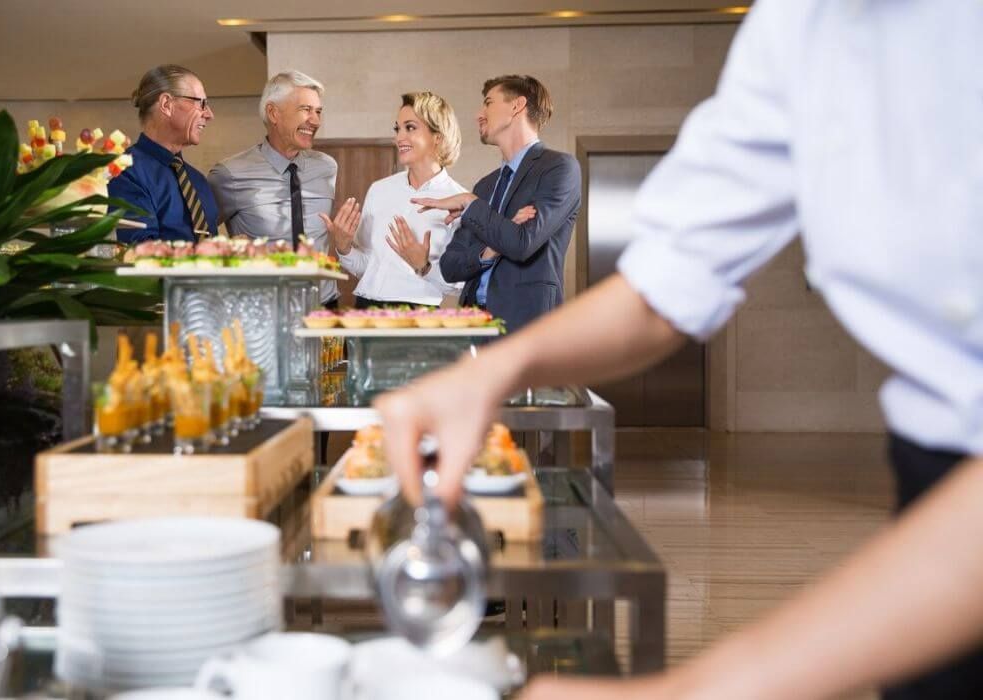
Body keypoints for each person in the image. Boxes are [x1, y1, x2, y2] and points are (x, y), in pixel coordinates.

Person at [376, 1, 983, 698]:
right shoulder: (799, 28)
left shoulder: (558, 171)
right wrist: (498, 369)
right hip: (932, 482)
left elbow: (522, 245)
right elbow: (671, 274)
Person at [412, 75, 580, 334]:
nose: (479, 114)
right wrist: (491, 249)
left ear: (517, 106)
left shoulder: (559, 169)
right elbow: (451, 265)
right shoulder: (485, 186)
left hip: (526, 328)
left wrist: (470, 203)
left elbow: (521, 243)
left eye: (488, 103)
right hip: (474, 326)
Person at [322, 91, 480, 308]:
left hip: (418, 317)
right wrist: (344, 248)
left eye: (410, 127)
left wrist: (423, 266)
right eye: (397, 129)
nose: (399, 137)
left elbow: (461, 284)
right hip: (366, 311)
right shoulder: (379, 190)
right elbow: (368, 266)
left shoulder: (459, 200)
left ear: (438, 137)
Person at [208, 70, 339, 308]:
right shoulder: (229, 174)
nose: (316, 121)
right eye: (305, 110)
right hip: (262, 308)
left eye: (318, 112)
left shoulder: (327, 167)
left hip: (324, 306)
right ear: (273, 113)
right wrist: (228, 249)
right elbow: (201, 238)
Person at [109, 65, 217, 244]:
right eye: (201, 103)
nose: (209, 114)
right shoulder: (124, 171)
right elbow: (142, 252)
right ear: (167, 104)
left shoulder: (198, 181)